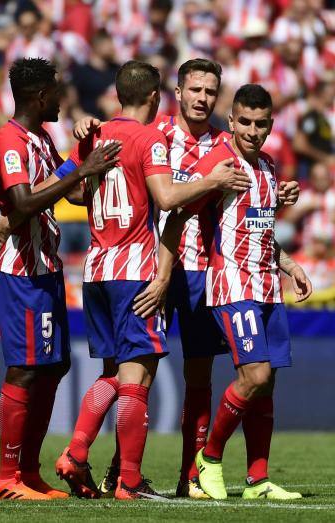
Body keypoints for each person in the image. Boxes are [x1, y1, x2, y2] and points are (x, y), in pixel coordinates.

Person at [72, 58, 300, 499]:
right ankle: (118, 471)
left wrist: (279, 214)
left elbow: (248, 212)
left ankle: (190, 477)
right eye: (194, 90)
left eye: (210, 92)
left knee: (199, 378)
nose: (202, 99)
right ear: (176, 93)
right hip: (144, 269)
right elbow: (107, 169)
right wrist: (87, 126)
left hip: (199, 271)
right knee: (127, 373)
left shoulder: (226, 145)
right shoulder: (152, 136)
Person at [157, 84, 312, 501]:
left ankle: (258, 480)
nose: (252, 130)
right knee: (254, 375)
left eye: (261, 124)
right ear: (231, 121)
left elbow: (259, 230)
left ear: (271, 126)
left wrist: (291, 265)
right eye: (245, 121)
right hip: (232, 284)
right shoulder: (219, 160)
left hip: (267, 286)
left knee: (267, 384)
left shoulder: (267, 166)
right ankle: (207, 459)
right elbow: (176, 213)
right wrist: (162, 276)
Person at [0, 57, 122, 501]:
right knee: (25, 369)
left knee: (52, 366)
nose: (63, 99)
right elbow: (23, 203)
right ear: (40, 95)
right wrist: (79, 170)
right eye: (58, 92)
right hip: (22, 272)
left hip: (46, 269)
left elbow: (69, 187)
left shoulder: (41, 140)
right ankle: (7, 478)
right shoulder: (9, 142)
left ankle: (28, 472)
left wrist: (96, 164)